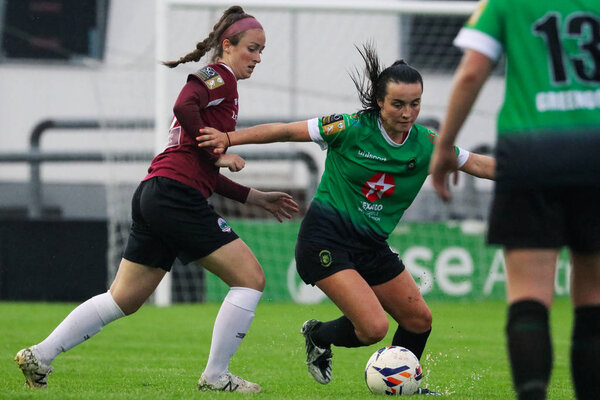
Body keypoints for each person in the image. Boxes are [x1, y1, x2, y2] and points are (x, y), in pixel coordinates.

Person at [14, 6, 298, 393]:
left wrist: (255, 197)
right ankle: (216, 376)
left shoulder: (224, 88)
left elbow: (201, 168)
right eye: (253, 48)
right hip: (174, 195)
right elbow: (183, 104)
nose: (258, 58)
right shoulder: (221, 76)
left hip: (157, 192)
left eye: (262, 50)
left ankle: (40, 355)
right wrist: (220, 151)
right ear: (227, 46)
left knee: (124, 299)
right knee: (250, 279)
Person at [197, 43, 495, 395]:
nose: (407, 112)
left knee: (419, 321)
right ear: (379, 102)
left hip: (371, 244)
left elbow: (476, 162)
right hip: (326, 239)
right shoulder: (349, 128)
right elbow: (285, 131)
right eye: (398, 104)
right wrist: (229, 138)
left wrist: (535, 174)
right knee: (373, 328)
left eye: (415, 103)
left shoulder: (428, 143)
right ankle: (319, 335)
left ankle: (405, 387)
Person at [429, 1, 600, 399]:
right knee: (593, 299)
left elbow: (472, 72)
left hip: (529, 155)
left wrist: (445, 147)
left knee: (529, 295)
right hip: (594, 156)